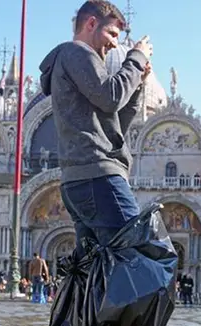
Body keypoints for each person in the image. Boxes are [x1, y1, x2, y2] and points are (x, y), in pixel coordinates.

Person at [39, 0, 153, 257]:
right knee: (140, 254)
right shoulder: (75, 52)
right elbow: (110, 96)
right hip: (98, 176)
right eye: (112, 33)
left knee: (95, 266)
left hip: (82, 180)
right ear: (91, 23)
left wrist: (138, 85)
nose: (115, 43)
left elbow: (115, 128)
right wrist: (136, 57)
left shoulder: (80, 62)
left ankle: (83, 300)